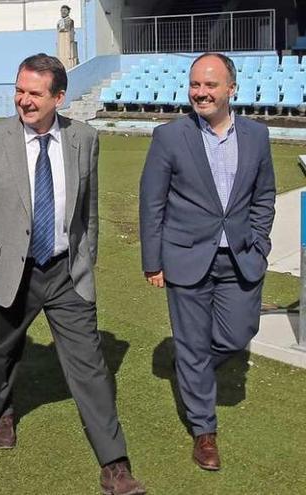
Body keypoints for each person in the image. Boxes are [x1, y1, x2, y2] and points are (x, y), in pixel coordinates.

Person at [0, 53, 145, 495]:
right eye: (20, 90)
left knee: (90, 366)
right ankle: (3, 410)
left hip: (67, 272)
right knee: (2, 351)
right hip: (10, 271)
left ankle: (115, 463)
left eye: (34, 93)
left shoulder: (84, 138)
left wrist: (87, 259)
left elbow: (89, 210)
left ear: (59, 97)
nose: (24, 100)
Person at [139, 52, 275, 471]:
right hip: (184, 257)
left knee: (238, 334)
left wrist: (260, 241)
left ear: (231, 89)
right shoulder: (169, 136)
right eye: (196, 84)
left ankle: (191, 364)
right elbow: (152, 203)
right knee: (194, 345)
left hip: (240, 257)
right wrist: (152, 261)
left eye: (210, 85)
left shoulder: (257, 135)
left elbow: (264, 195)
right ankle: (204, 431)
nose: (201, 92)